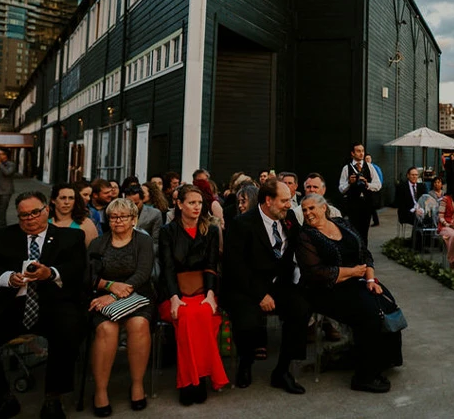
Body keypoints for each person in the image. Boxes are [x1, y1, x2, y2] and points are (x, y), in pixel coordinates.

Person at [0, 191, 87, 419]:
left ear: (46, 210)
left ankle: (54, 398)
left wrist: (51, 273)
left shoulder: (70, 237)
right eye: (23, 215)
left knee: (69, 331)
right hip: (11, 305)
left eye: (34, 212)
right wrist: (8, 278)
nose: (29, 219)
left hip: (52, 304)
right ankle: (2, 397)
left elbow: (76, 269)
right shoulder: (1, 236)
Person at [297, 193, 403, 393]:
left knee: (386, 303)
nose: (308, 213)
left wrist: (370, 280)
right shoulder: (305, 236)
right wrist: (353, 272)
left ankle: (382, 360)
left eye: (312, 208)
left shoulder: (342, 223)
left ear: (324, 208)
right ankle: (364, 376)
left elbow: (365, 253)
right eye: (304, 210)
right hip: (325, 290)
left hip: (358, 280)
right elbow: (316, 273)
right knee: (370, 314)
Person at [221, 178, 309, 394]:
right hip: (245, 286)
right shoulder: (242, 224)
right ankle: (245, 362)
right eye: (285, 200)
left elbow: (298, 246)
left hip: (279, 284)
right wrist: (261, 295)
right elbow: (235, 267)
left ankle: (282, 371)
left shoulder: (288, 219)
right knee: (248, 321)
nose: (290, 205)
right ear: (268, 201)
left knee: (301, 309)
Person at [158, 184, 228, 404]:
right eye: (191, 203)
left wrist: (209, 294)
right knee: (186, 316)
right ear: (179, 204)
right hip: (174, 292)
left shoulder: (211, 229)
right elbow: (167, 267)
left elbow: (211, 265)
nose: (197, 207)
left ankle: (197, 378)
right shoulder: (167, 231)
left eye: (199, 203)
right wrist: (174, 298)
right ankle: (191, 380)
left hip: (203, 290)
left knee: (205, 313)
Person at [88, 198, 155, 415]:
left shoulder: (142, 242)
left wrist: (116, 295)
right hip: (104, 298)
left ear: (133, 219)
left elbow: (143, 274)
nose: (118, 221)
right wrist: (109, 286)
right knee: (107, 329)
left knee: (138, 325)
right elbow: (88, 277)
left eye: (124, 217)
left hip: (138, 296)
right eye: (113, 217)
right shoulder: (98, 243)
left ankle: (137, 385)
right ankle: (100, 391)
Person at [338, 143, 382, 246]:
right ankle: (355, 254)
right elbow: (341, 188)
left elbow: (378, 185)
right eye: (358, 151)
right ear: (352, 153)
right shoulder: (346, 168)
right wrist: (349, 183)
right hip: (352, 203)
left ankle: (364, 256)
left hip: (366, 204)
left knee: (364, 231)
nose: (361, 153)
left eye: (362, 151)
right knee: (353, 230)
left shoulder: (370, 167)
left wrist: (367, 185)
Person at [124, 183, 163, 251]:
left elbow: (156, 241)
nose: (133, 207)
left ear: (142, 200)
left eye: (136, 203)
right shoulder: (120, 214)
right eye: (130, 204)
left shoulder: (154, 214)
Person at [364, 154, 384, 227]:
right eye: (366, 159)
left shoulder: (375, 167)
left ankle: (376, 221)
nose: (368, 160)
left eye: (369, 158)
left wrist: (377, 188)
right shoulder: (364, 167)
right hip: (367, 189)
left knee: (372, 207)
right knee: (371, 207)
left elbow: (380, 178)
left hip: (374, 190)